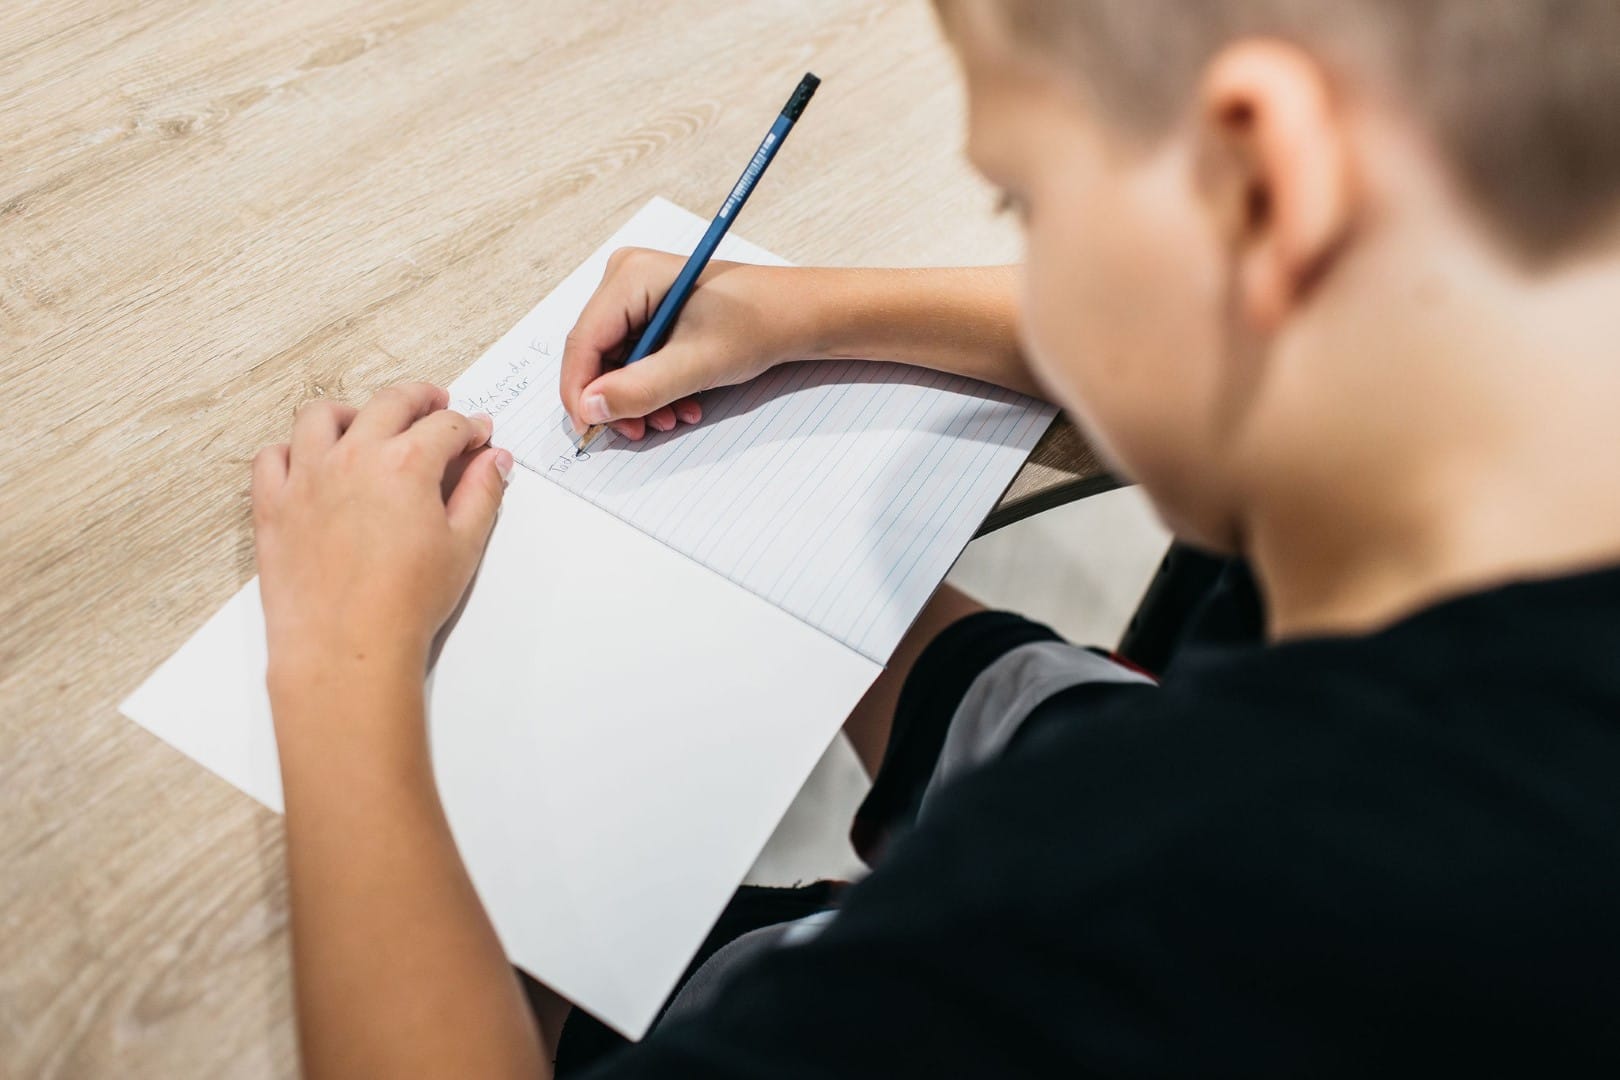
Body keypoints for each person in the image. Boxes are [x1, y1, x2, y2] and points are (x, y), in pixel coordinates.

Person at [250, 0, 1620, 1075]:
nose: (1022, 250)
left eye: (1023, 202)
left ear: (1262, 187)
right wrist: (814, 314)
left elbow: (1117, 842)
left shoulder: (1135, 906)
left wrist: (342, 650)